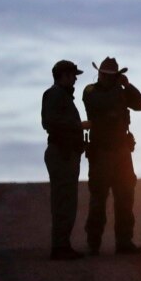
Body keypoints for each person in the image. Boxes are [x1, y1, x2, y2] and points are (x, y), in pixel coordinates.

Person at [83, 57, 141, 255]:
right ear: (100, 74)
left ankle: (124, 242)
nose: (108, 79)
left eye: (112, 76)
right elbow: (102, 105)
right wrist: (119, 89)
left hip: (121, 151)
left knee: (125, 197)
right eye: (106, 75)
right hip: (101, 151)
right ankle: (94, 244)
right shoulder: (90, 91)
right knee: (98, 200)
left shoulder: (121, 91)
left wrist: (127, 86)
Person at [41, 60, 91, 261]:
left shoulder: (62, 96)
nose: (75, 79)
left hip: (67, 153)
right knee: (63, 202)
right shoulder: (54, 94)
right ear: (63, 76)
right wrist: (78, 126)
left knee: (67, 201)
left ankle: (63, 245)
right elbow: (49, 122)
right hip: (61, 153)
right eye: (72, 75)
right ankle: (60, 246)